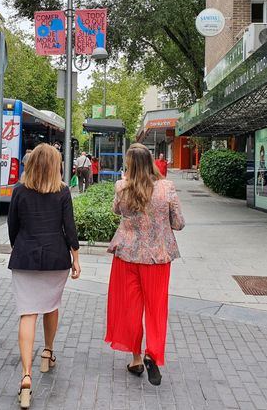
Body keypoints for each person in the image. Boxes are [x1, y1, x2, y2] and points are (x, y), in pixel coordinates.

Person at [7, 144, 81, 409]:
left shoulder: (19, 190)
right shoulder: (62, 191)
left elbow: (12, 227)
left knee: (27, 313)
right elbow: (69, 227)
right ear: (55, 164)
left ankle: (26, 377)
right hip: (55, 259)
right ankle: (47, 352)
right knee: (51, 306)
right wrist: (76, 257)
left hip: (25, 257)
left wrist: (21, 248)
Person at [105, 143, 185, 386]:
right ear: (151, 162)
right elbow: (179, 223)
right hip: (158, 258)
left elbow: (116, 210)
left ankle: (136, 359)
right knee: (156, 307)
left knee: (130, 307)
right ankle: (153, 353)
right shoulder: (167, 188)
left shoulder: (122, 187)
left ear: (129, 165)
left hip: (127, 255)